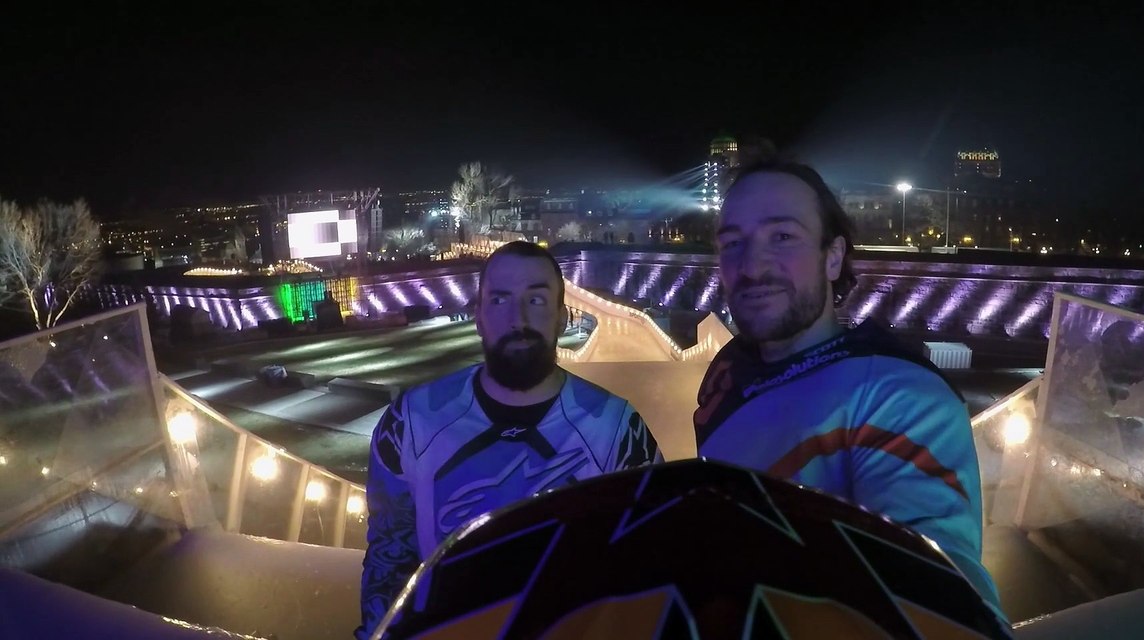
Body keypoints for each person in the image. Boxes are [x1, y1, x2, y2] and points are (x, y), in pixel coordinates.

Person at [694, 159, 1006, 620]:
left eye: (782, 237)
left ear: (834, 256)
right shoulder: (729, 370)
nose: (752, 265)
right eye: (733, 243)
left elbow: (941, 597)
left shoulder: (899, 395)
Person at [357, 241, 662, 638]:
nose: (517, 319)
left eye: (535, 299)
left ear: (562, 318)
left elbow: (653, 563)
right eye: (499, 300)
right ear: (478, 317)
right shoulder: (410, 422)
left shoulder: (618, 429)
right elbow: (388, 561)